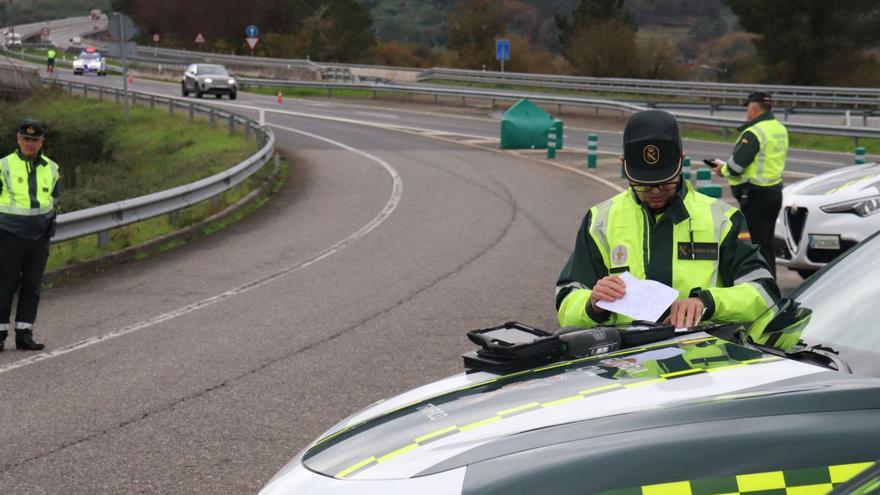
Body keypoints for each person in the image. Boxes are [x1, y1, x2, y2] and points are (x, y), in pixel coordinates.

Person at [556, 110, 780, 330]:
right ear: (623, 163)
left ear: (681, 162)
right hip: (626, 359)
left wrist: (707, 303)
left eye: (665, 182)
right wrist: (592, 304)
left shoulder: (724, 219)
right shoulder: (600, 220)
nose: (655, 191)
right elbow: (567, 301)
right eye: (643, 183)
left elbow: (764, 292)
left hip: (702, 355)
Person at [708, 91, 788, 277]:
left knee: (756, 245)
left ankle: (763, 285)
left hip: (755, 195)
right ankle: (771, 280)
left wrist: (722, 169)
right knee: (767, 242)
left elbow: (737, 166)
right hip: (774, 191)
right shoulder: (779, 128)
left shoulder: (755, 131)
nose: (747, 113)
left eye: (748, 109)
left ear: (753, 108)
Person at [0, 119, 61, 351]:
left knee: (32, 288)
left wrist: (46, 227)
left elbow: (54, 201)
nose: (30, 143)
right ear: (18, 139)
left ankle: (24, 334)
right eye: (26, 139)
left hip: (39, 237)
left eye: (35, 140)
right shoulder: (3, 165)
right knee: (4, 286)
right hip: (9, 235)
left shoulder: (53, 168)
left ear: (41, 142)